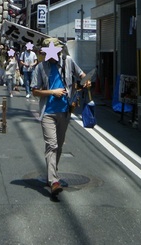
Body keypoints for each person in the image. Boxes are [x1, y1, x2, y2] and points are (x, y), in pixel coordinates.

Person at [32, 38, 88, 197]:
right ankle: (54, 182)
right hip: (47, 112)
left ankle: (51, 173)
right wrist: (52, 92)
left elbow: (82, 75)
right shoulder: (41, 67)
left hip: (65, 111)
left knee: (59, 145)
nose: (50, 56)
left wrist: (87, 81)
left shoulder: (68, 62)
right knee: (52, 145)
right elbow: (35, 91)